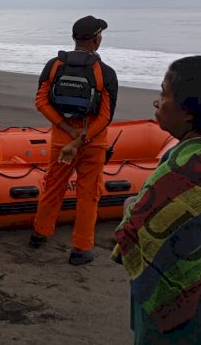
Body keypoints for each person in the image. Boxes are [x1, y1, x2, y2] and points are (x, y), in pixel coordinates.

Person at [113, 56, 201, 343]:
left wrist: (129, 206)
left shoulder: (184, 170)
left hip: (191, 322)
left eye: (163, 94)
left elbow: (139, 231)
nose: (156, 102)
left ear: (188, 112)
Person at [28, 15, 119, 265]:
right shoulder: (105, 73)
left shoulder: (54, 65)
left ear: (74, 38)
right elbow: (106, 117)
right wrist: (82, 137)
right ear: (97, 39)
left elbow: (41, 102)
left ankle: (39, 234)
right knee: (88, 195)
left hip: (61, 141)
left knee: (52, 188)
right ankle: (81, 248)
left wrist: (68, 130)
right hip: (93, 144)